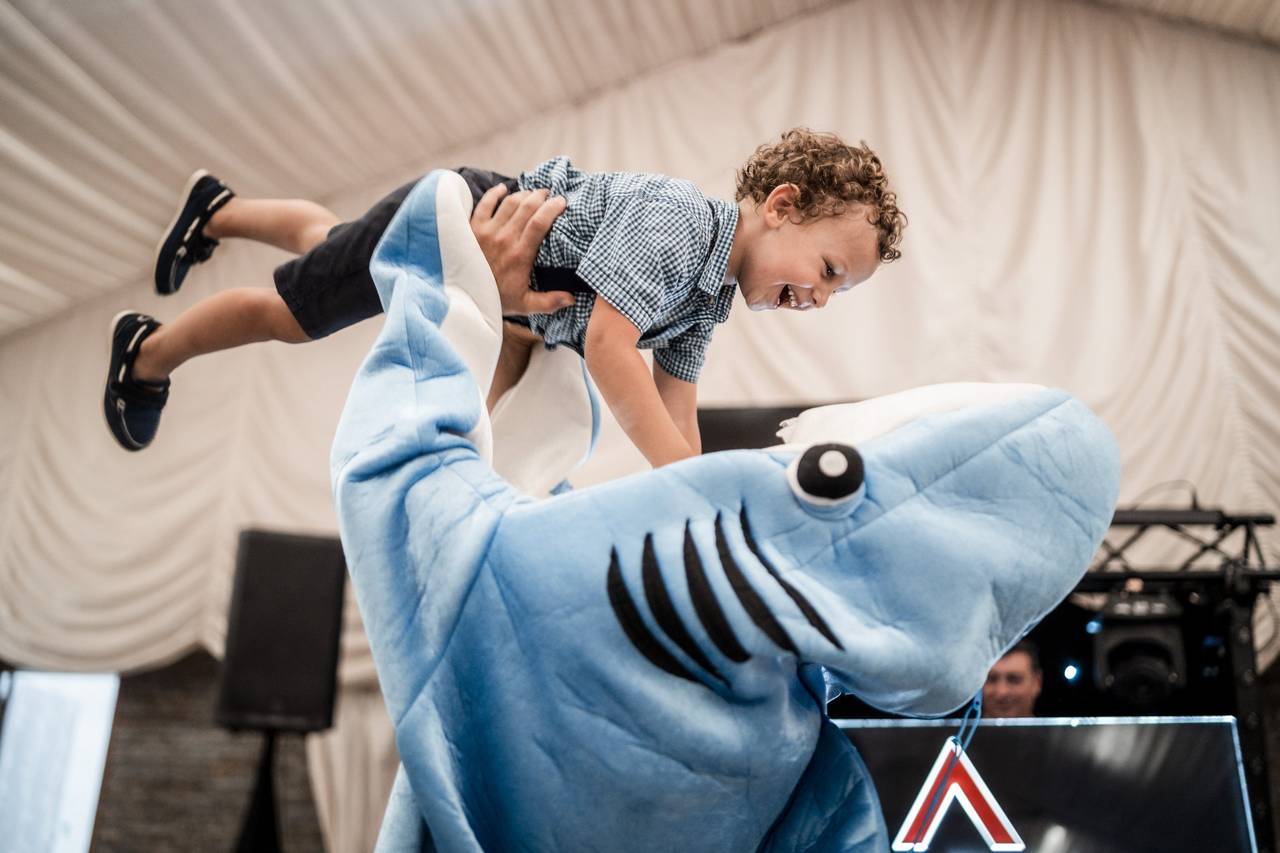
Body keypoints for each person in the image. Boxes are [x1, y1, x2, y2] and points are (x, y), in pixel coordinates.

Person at [104, 129, 907, 466]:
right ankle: (146, 353)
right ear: (783, 205)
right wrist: (677, 481)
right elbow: (607, 349)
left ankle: (218, 209)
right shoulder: (676, 223)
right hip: (461, 216)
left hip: (478, 264)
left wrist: (702, 488)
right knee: (291, 316)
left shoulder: (705, 301)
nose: (820, 299)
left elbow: (680, 412)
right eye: (830, 271)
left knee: (335, 249)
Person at [982, 641, 1043, 718]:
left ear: (1037, 682)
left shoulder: (1059, 730)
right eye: (991, 679)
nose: (1001, 692)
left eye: (1014, 680)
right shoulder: (962, 729)